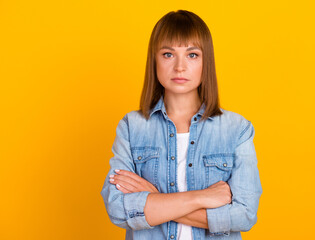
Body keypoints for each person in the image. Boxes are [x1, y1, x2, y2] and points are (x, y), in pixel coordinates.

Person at [100, 9, 263, 240]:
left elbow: (244, 215)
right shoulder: (131, 127)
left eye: (192, 55)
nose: (179, 67)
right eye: (168, 54)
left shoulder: (237, 129)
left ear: (206, 61)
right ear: (154, 59)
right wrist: (201, 198)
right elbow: (118, 208)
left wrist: (153, 198)